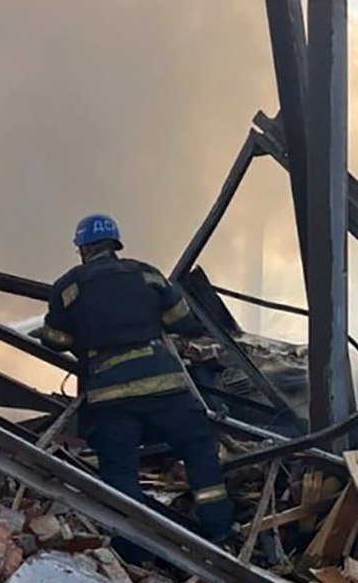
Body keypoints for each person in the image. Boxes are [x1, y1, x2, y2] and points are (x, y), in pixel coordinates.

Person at [39, 214, 233, 549]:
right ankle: (220, 533)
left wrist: (84, 338)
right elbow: (182, 320)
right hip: (163, 386)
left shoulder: (69, 286)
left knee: (119, 471)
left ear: (83, 248)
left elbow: (54, 338)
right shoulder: (146, 274)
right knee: (199, 449)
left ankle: (135, 552)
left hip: (109, 394)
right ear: (115, 244)